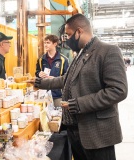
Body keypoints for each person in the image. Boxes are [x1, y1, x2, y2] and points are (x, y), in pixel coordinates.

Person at [33, 14, 128, 160]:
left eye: (69, 35)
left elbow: (118, 91)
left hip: (97, 134)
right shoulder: (80, 54)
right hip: (76, 132)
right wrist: (40, 83)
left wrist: (78, 104)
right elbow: (67, 79)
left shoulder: (108, 51)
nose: (67, 39)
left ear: (79, 31)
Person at [35, 34, 69, 107]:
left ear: (55, 44)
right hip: (44, 95)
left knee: (58, 116)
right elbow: (37, 72)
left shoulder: (63, 60)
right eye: (45, 43)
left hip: (58, 96)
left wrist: (55, 79)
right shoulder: (41, 60)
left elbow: (67, 77)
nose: (45, 45)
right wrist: (39, 74)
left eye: (48, 43)